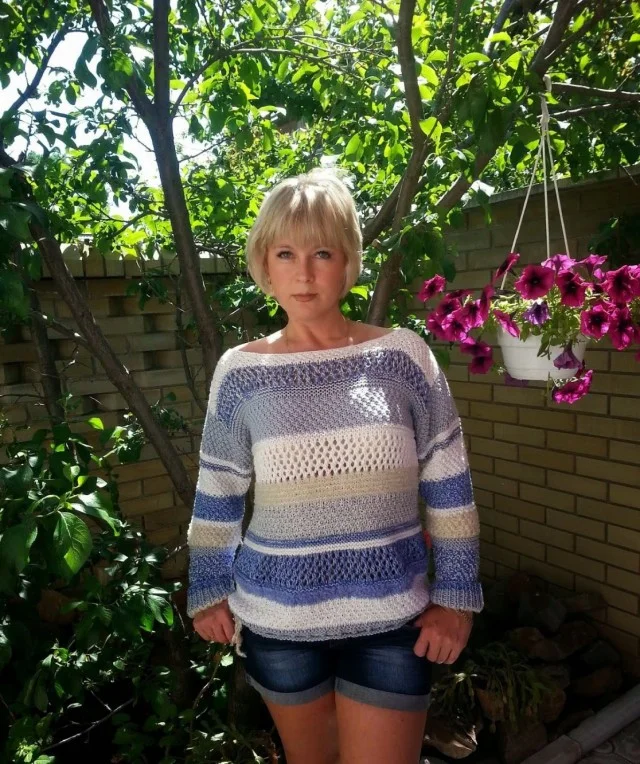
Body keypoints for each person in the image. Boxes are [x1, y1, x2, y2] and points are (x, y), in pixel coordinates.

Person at [186, 168, 483, 764]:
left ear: (348, 261)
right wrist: (208, 587)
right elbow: (218, 489)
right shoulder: (241, 373)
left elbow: (449, 483)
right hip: (277, 622)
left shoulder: (402, 357)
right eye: (286, 253)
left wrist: (456, 597)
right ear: (264, 264)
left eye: (321, 252)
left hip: (391, 619)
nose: (304, 273)